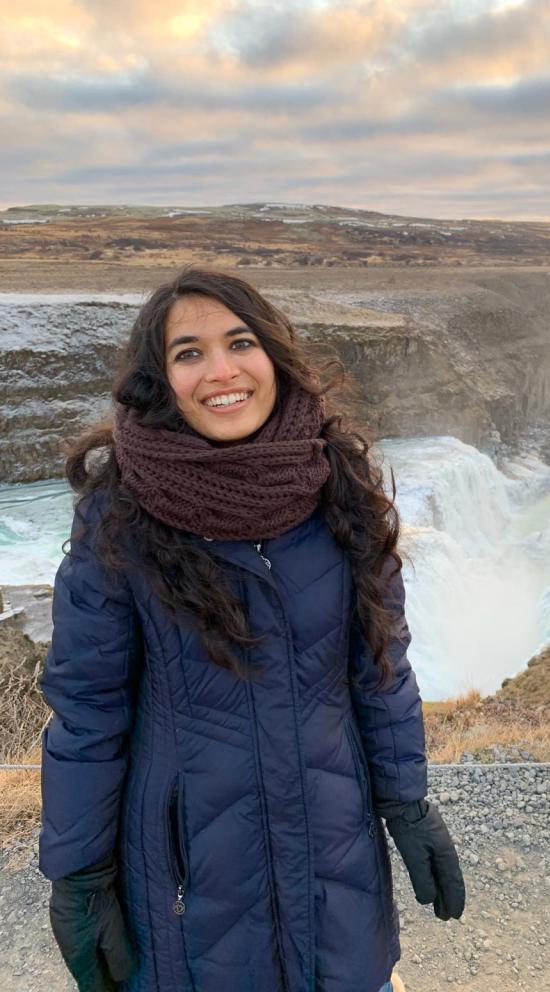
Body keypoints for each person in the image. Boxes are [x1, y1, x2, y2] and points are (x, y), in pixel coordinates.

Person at [38, 268, 465, 992]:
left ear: (273, 355)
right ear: (160, 378)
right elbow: (87, 709)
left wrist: (407, 799)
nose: (222, 371)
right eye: (188, 352)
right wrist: (78, 873)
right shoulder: (120, 518)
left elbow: (379, 667)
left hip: (335, 853)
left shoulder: (340, 488)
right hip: (187, 871)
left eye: (240, 342)